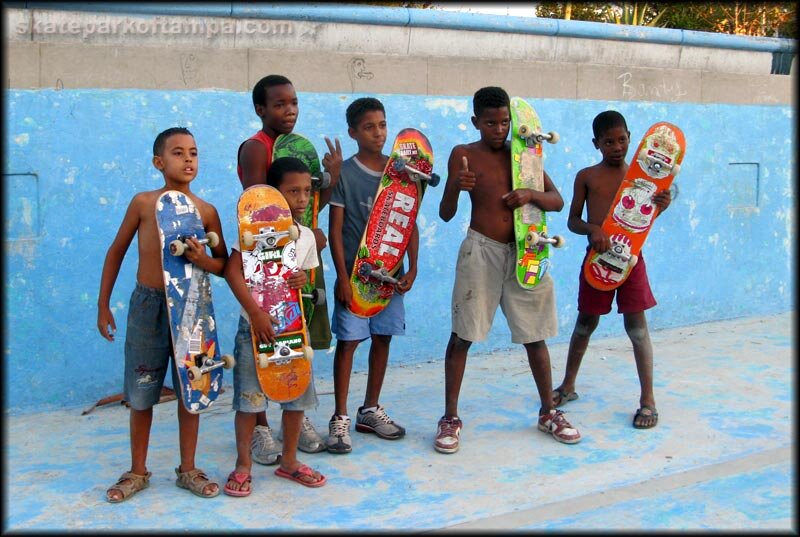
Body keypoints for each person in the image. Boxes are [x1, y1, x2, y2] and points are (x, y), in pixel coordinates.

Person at [434, 87, 581, 455]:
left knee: (535, 336)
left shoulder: (525, 155)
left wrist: (530, 195)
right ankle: (450, 417)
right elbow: (446, 213)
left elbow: (557, 200)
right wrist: (456, 184)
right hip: (480, 251)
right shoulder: (464, 155)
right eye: (490, 123)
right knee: (462, 335)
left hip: (525, 250)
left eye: (504, 122)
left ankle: (548, 411)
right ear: (475, 123)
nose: (499, 129)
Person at [97, 127, 228, 502]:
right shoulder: (143, 203)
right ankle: (137, 471)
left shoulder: (206, 211)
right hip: (148, 307)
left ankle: (188, 469)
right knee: (141, 393)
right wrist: (103, 303)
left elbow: (223, 265)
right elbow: (116, 251)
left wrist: (203, 259)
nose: (188, 159)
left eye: (194, 152)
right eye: (177, 153)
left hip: (193, 306)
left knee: (193, 387)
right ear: (159, 162)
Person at [237, 74, 342, 462]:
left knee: (296, 337)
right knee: (261, 346)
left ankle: (292, 417)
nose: (290, 110)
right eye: (280, 104)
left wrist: (333, 179)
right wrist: (302, 233)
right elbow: (258, 207)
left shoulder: (295, 150)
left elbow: (306, 205)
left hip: (295, 260)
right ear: (261, 109)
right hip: (263, 266)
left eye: (294, 102)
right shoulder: (255, 148)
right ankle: (261, 428)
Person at [551, 110, 671, 429]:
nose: (616, 147)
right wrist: (593, 229)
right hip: (597, 262)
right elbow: (572, 220)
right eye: (608, 142)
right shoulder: (587, 177)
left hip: (631, 261)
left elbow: (641, 220)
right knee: (584, 324)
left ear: (630, 138)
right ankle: (567, 385)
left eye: (621, 140)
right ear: (596, 144)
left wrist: (661, 204)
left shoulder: (643, 178)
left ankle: (648, 400)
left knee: (637, 330)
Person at [223, 157, 327, 495]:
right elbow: (232, 271)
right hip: (253, 329)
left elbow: (301, 283)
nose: (301, 198)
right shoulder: (253, 231)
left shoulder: (308, 236)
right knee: (249, 401)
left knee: (295, 395)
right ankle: (243, 465)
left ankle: (290, 462)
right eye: (292, 191)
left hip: (293, 329)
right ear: (273, 195)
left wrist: (302, 280)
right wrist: (254, 312)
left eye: (307, 191)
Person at [325, 97, 416, 454]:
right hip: (355, 277)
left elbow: (410, 224)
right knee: (348, 343)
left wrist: (413, 267)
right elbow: (334, 231)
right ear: (353, 132)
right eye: (368, 127)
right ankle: (340, 417)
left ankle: (369, 409)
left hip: (390, 278)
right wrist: (342, 278)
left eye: (382, 125)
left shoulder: (401, 173)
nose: (378, 133)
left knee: (383, 339)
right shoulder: (346, 174)